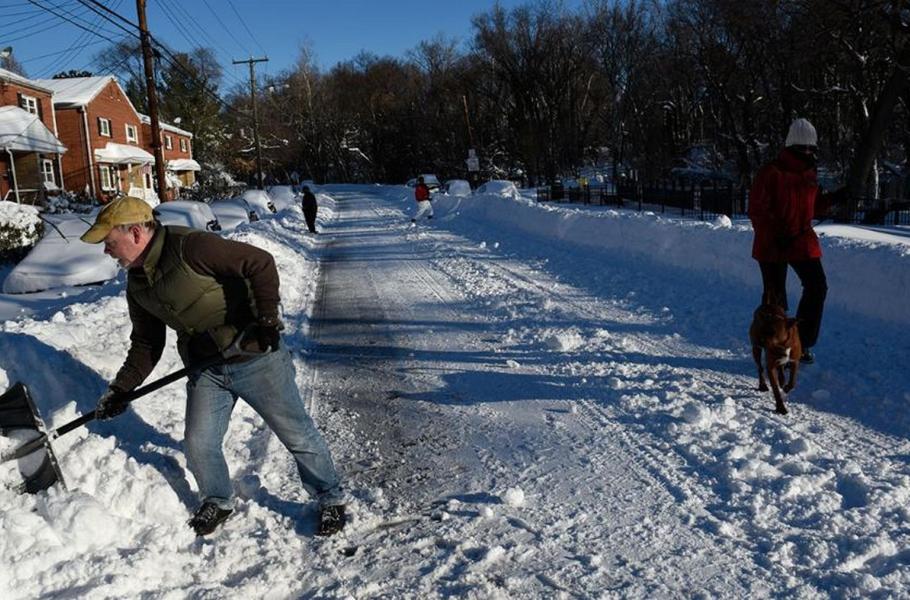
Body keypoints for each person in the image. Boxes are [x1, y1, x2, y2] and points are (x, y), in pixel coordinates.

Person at [80, 196, 346, 537]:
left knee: (296, 433)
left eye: (109, 242)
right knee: (199, 441)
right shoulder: (137, 284)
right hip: (206, 368)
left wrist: (266, 318)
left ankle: (330, 497)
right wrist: (121, 389)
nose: (106, 251)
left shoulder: (190, 246)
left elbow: (259, 262)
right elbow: (147, 343)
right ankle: (218, 499)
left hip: (254, 357)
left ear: (134, 233)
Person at [748, 118, 842, 364]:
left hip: (801, 239)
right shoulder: (772, 172)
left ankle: (802, 341)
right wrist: (775, 234)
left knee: (817, 286)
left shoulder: (809, 173)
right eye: (802, 148)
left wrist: (834, 198)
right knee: (775, 298)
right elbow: (757, 210)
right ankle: (772, 344)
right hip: (773, 243)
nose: (808, 152)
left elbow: (812, 207)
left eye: (811, 148)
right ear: (790, 146)